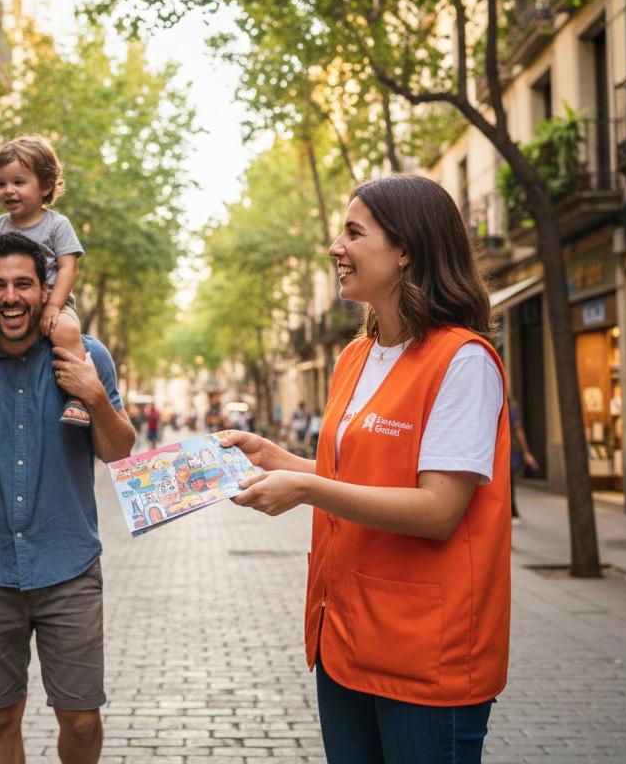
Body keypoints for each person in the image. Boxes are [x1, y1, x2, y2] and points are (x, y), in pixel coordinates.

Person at [223, 174, 511, 764]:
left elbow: (438, 510)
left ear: (406, 249)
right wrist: (286, 462)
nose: (335, 247)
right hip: (344, 640)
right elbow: (364, 473)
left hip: (425, 657)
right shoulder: (356, 355)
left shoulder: (462, 360)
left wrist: (305, 486)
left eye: (353, 232)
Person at [0, 232, 135, 764]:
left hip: (69, 566)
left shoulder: (87, 355)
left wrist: (92, 394)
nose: (9, 296)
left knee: (82, 719)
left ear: (45, 290)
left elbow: (118, 451)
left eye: (22, 284)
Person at [0, 135, 90, 428]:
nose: (8, 191)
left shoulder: (57, 225)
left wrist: (53, 306)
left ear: (46, 186)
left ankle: (77, 397)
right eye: (1, 183)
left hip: (54, 303)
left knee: (65, 330)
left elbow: (67, 268)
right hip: (4, 307)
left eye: (18, 182)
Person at [509, 398, 539, 522]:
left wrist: (526, 452)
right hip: (506, 451)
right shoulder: (510, 411)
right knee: (509, 482)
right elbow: (519, 431)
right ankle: (512, 512)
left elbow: (519, 431)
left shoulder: (510, 411)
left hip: (508, 451)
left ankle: (513, 512)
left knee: (508, 482)